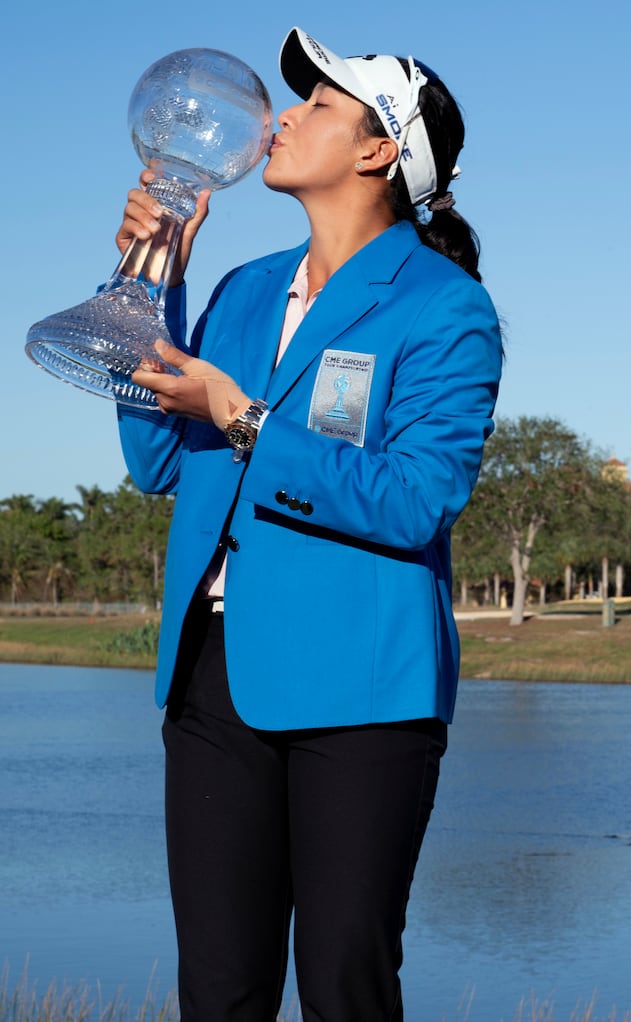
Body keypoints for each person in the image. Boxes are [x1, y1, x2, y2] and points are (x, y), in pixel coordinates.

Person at [114, 27, 502, 1021]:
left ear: (380, 151)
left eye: (319, 105)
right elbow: (158, 461)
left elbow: (417, 498)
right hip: (213, 674)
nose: (283, 116)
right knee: (220, 990)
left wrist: (242, 415)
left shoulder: (446, 308)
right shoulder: (243, 291)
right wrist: (151, 282)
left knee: (343, 985)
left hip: (362, 688)